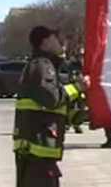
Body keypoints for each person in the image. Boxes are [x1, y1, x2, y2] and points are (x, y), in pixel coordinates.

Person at [14, 26, 88, 187]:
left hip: (39, 150)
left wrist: (79, 111)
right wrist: (76, 88)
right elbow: (51, 99)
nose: (62, 43)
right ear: (45, 42)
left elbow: (55, 107)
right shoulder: (42, 66)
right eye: (57, 39)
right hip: (37, 149)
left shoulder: (47, 66)